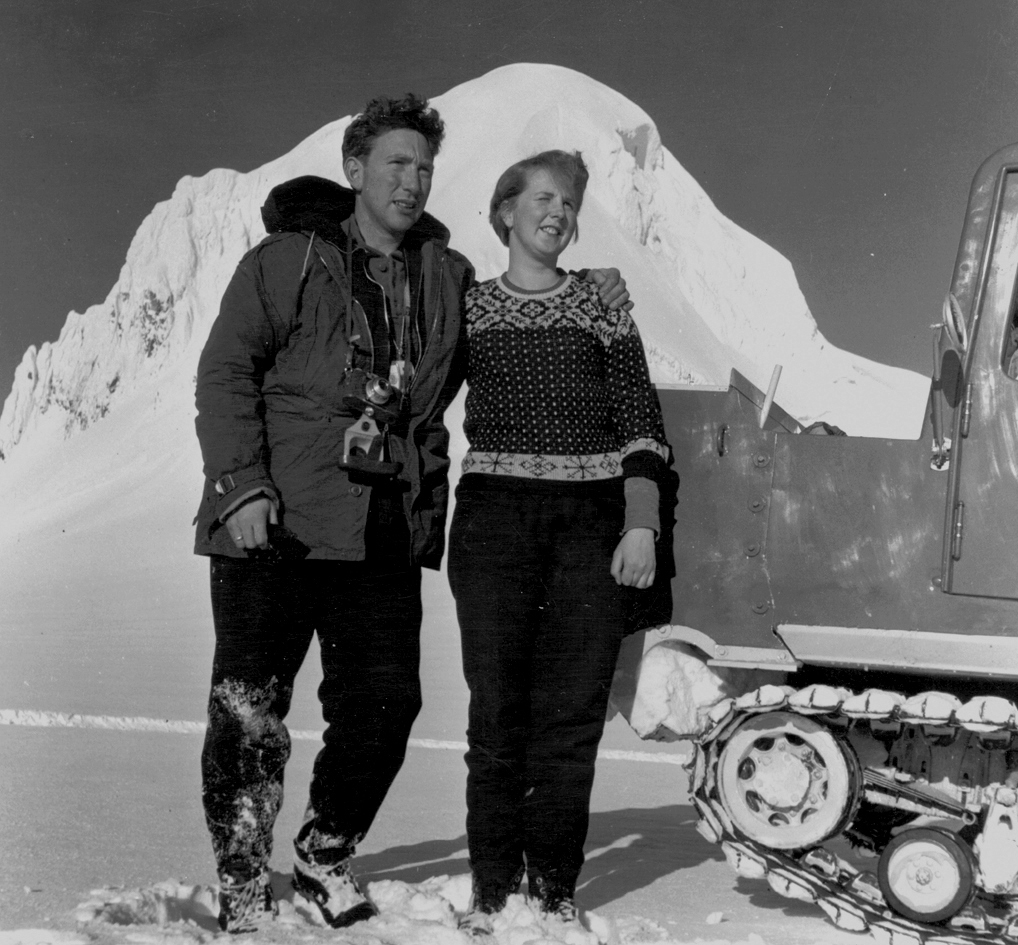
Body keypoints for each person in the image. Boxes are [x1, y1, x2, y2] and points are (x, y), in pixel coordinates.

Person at [193, 95, 631, 933]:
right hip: (273, 521)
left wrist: (589, 288)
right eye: (396, 163)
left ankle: (325, 848)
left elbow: (517, 310)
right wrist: (241, 486)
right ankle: (243, 873)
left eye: (424, 166)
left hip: (383, 528)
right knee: (249, 709)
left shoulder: (448, 277)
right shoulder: (285, 260)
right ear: (354, 170)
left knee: (387, 704)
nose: (413, 179)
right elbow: (225, 374)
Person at [447, 150, 670, 936]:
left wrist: (639, 520)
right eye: (543, 197)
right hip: (492, 521)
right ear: (506, 210)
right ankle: (490, 886)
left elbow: (642, 418)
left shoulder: (602, 305)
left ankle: (552, 893)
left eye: (570, 203)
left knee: (571, 719)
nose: (558, 213)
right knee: (496, 713)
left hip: (591, 525)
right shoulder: (466, 308)